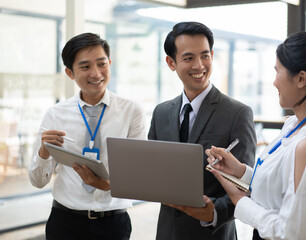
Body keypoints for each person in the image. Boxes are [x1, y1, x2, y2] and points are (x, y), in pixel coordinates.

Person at [206, 31, 306, 240]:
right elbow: (279, 190)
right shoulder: (295, 126)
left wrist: (240, 202)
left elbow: (292, 234)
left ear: (301, 79)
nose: (274, 82)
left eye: (278, 72)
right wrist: (240, 171)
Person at [29, 33, 147, 240]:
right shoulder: (56, 114)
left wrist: (107, 185)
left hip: (114, 224)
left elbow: (138, 176)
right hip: (64, 222)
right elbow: (37, 181)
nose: (96, 73)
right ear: (69, 72)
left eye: (102, 64)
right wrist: (43, 152)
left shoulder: (131, 111)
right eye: (85, 67)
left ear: (110, 63)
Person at [148, 21, 257, 240]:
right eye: (188, 58)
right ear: (171, 62)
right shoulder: (160, 113)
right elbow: (153, 173)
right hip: (167, 232)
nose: (199, 66)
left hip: (213, 234)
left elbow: (247, 184)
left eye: (205, 56)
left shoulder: (237, 113)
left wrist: (213, 212)